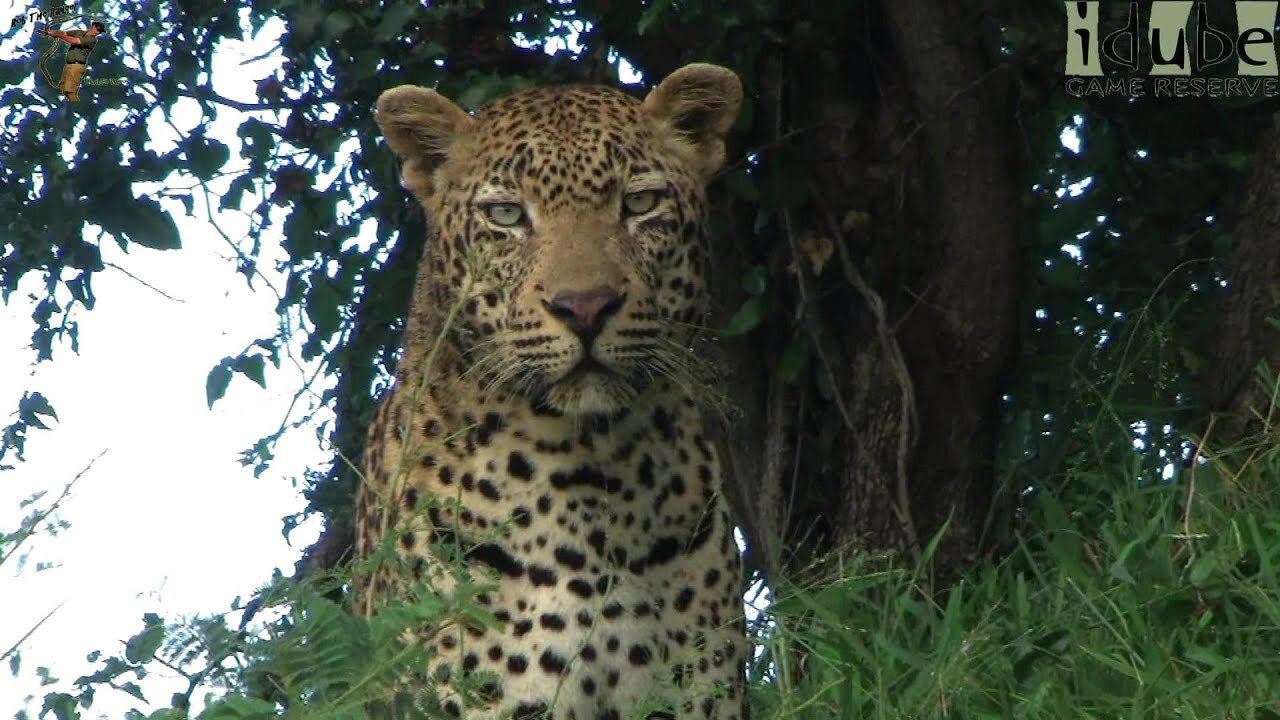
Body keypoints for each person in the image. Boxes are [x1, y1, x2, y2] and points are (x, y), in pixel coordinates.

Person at [39, 20, 106, 102]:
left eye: (99, 31)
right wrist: (53, 33)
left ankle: (73, 99)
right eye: (97, 29)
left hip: (77, 65)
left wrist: (60, 36)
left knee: (70, 89)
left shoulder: (92, 40)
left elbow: (75, 41)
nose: (97, 32)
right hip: (69, 63)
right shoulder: (79, 33)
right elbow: (65, 33)